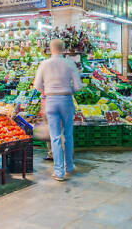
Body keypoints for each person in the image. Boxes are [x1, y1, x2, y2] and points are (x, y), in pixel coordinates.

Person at [34, 39, 82, 181]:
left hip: (51, 100)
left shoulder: (44, 64)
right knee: (68, 135)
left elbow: (37, 85)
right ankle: (69, 166)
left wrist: (48, 90)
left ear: (50, 49)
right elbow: (79, 86)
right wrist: (68, 90)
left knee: (55, 137)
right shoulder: (69, 63)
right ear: (64, 49)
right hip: (66, 99)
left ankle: (59, 172)